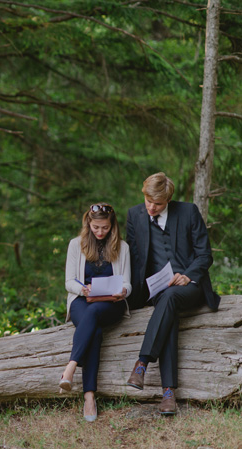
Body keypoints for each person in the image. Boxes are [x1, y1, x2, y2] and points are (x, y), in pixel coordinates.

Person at [124, 172, 220, 415]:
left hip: (190, 286)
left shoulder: (188, 212)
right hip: (157, 289)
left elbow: (204, 255)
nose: (151, 208)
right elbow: (133, 260)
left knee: (170, 300)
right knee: (167, 304)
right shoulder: (135, 215)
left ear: (168, 200)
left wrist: (188, 275)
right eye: (148, 201)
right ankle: (168, 392)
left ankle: (143, 363)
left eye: (157, 204)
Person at [59, 203, 131, 422]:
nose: (100, 232)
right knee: (95, 332)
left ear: (113, 226)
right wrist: (83, 288)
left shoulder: (122, 247)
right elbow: (68, 282)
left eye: (105, 228)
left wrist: (124, 291)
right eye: (96, 227)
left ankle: (70, 368)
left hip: (111, 303)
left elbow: (128, 282)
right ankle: (89, 397)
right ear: (88, 223)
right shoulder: (75, 245)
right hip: (82, 298)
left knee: (95, 313)